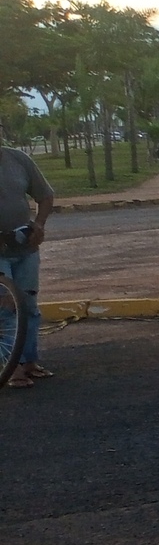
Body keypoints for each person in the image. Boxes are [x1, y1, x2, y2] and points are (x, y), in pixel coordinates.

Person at [0, 138, 56, 386]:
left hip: (25, 246)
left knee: (29, 306)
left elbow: (45, 195)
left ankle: (29, 361)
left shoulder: (18, 160)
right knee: (5, 308)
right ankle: (11, 368)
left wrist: (39, 224)